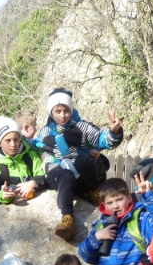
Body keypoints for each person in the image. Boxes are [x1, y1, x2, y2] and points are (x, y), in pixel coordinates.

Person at [34, 88, 123, 237]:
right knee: (65, 174)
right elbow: (34, 146)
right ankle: (67, 218)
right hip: (58, 175)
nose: (62, 115)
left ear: (71, 110)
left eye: (66, 110)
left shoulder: (82, 127)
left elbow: (101, 138)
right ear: (51, 112)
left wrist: (113, 132)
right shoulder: (45, 132)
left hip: (80, 174)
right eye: (58, 111)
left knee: (85, 158)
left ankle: (96, 192)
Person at [78, 176, 153, 265]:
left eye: (119, 200)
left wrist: (149, 195)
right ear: (104, 205)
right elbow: (86, 256)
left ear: (129, 198)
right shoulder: (100, 225)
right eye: (110, 203)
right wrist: (97, 237)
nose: (115, 206)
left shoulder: (140, 219)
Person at [0, 117, 51, 231]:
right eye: (8, 140)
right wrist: (3, 195)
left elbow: (43, 174)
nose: (13, 144)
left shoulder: (31, 156)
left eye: (16, 139)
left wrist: (33, 183)